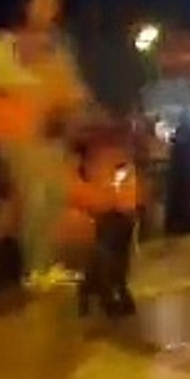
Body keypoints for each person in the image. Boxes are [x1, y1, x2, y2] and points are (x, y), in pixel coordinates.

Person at [0, 0, 90, 290]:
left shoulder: (60, 46)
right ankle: (34, 268)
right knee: (34, 198)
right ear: (24, 5)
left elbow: (73, 86)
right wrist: (45, 88)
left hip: (51, 133)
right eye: (39, 2)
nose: (46, 9)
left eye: (52, 3)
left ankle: (48, 264)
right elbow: (1, 77)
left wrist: (72, 105)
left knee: (54, 195)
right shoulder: (5, 42)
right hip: (17, 132)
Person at [65, 122, 138, 318]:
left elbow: (125, 179)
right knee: (107, 257)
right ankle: (109, 295)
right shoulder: (90, 156)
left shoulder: (111, 153)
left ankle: (102, 292)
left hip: (120, 212)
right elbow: (79, 190)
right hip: (104, 213)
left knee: (116, 257)